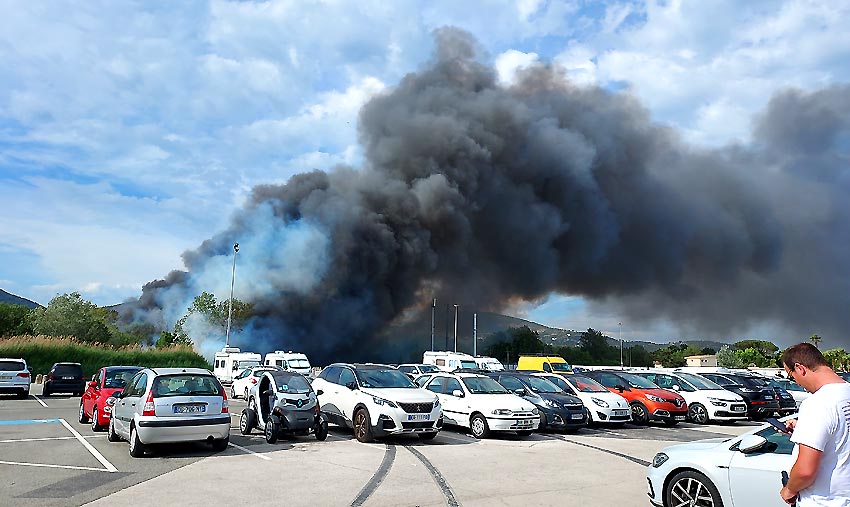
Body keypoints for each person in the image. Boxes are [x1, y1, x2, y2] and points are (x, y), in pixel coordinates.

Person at [779, 342, 850, 506]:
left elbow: (805, 471)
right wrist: (801, 428)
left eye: (791, 376)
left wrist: (789, 489)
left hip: (824, 501)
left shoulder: (818, 404)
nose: (795, 382)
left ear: (800, 368)